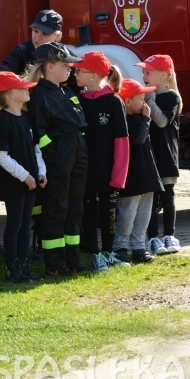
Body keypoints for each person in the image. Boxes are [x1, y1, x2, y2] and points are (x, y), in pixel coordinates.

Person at [25, 42, 87, 276]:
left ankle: (73, 258)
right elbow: (39, 132)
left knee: (75, 208)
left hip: (77, 151)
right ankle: (55, 263)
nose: (70, 68)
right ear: (50, 66)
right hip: (60, 155)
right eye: (65, 64)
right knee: (56, 209)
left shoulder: (66, 91)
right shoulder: (39, 95)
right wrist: (54, 155)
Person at [0, 72, 45, 283]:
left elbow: (36, 149)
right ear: (9, 95)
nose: (27, 90)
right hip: (14, 183)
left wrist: (41, 172)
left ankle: (24, 265)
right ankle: (13, 268)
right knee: (14, 224)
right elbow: (1, 156)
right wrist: (24, 176)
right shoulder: (2, 122)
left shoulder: (27, 118)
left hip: (30, 182)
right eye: (21, 88)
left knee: (25, 223)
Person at [74, 51, 130, 271]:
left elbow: (121, 141)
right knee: (88, 213)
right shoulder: (78, 100)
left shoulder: (114, 101)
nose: (75, 74)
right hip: (85, 169)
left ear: (94, 74)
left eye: (79, 71)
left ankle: (108, 252)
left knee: (108, 214)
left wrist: (119, 175)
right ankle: (95, 254)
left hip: (108, 170)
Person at [137, 55, 183, 256]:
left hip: (165, 156)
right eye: (143, 72)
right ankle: (153, 238)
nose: (144, 76)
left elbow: (162, 121)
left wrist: (150, 100)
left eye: (148, 72)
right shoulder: (145, 97)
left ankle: (169, 235)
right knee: (151, 199)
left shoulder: (172, 97)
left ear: (164, 75)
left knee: (167, 197)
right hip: (149, 156)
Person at [114, 79, 163, 264]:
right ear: (127, 101)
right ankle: (119, 247)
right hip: (131, 176)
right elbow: (138, 138)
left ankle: (138, 247)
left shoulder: (141, 117)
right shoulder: (125, 120)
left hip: (147, 174)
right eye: (141, 99)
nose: (144, 103)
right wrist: (146, 119)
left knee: (144, 213)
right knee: (127, 213)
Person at [0, 9, 78, 92]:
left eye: (45, 33)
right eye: (36, 31)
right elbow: (4, 70)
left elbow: (77, 90)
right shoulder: (22, 51)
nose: (37, 37)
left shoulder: (68, 58)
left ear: (58, 36)